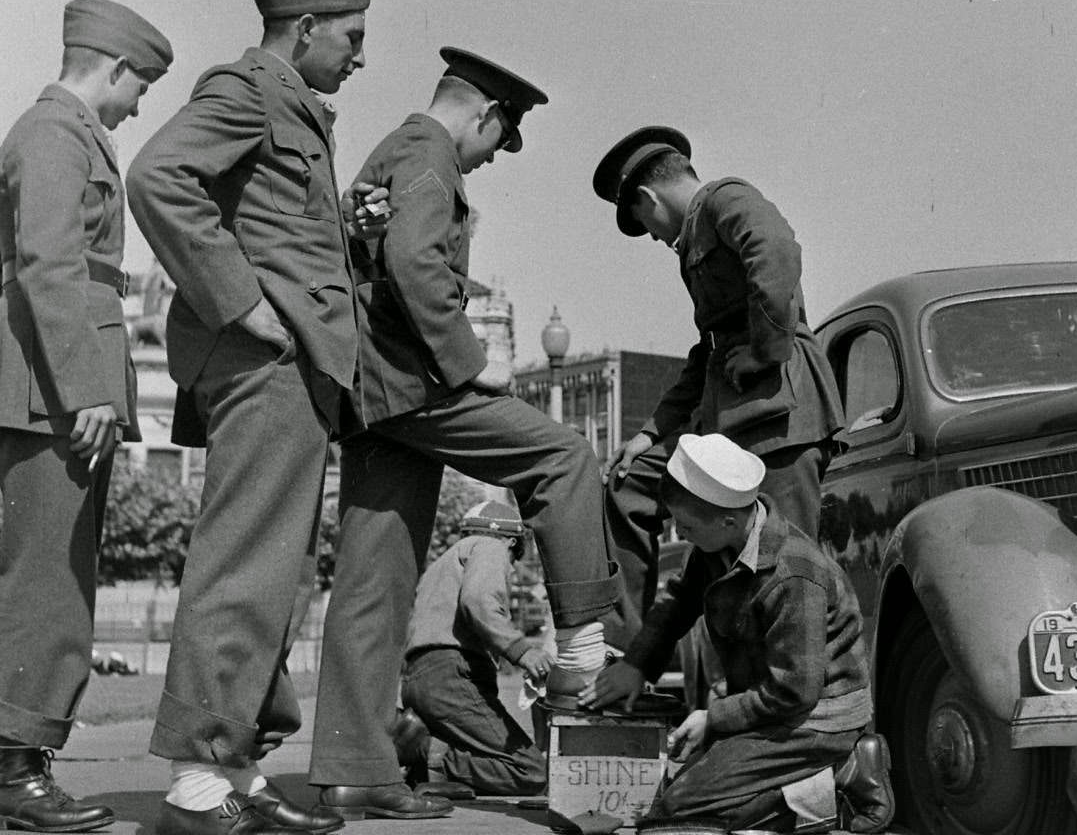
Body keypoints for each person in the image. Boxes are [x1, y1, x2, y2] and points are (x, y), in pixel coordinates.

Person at [125, 0, 406, 835]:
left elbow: (273, 223)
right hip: (267, 366)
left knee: (276, 576)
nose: (361, 54)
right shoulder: (247, 90)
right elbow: (158, 177)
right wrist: (244, 304)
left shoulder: (296, 109)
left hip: (300, 370)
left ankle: (235, 772)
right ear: (308, 27)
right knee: (246, 564)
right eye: (353, 36)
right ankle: (196, 792)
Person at [308, 47, 618, 818]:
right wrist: (472, 362)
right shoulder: (430, 155)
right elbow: (414, 261)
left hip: (371, 394)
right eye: (498, 139)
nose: (490, 157)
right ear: (482, 116)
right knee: (564, 457)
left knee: (374, 582)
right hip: (415, 385)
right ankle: (583, 644)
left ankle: (357, 768)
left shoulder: (390, 152)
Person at [0, 0, 172, 833]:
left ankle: (19, 758)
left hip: (54, 385)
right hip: (51, 390)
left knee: (51, 577)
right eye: (139, 87)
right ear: (116, 69)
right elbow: (50, 265)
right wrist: (86, 389)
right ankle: (15, 770)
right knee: (49, 583)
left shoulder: (61, 136)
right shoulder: (53, 134)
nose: (138, 106)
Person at [591, 127, 843, 647]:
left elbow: (776, 247)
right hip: (728, 418)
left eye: (645, 224)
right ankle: (622, 650)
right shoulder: (696, 238)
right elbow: (708, 351)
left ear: (647, 198)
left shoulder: (725, 200)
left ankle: (799, 702)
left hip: (782, 420)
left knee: (781, 561)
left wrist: (764, 351)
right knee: (631, 481)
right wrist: (647, 434)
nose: (657, 239)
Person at [580, 434, 894, 835]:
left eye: (688, 525)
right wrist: (635, 665)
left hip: (816, 719)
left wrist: (715, 718)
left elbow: (796, 691)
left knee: (676, 817)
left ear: (728, 520)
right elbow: (677, 605)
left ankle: (843, 776)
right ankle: (815, 783)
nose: (681, 532)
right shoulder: (717, 545)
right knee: (672, 798)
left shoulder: (794, 573)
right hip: (774, 709)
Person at [393, 501, 549, 799]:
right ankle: (422, 750)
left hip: (420, 679)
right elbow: (479, 600)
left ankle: (424, 760)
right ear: (511, 541)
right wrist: (522, 651)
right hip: (452, 677)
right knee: (531, 772)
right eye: (514, 559)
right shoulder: (490, 548)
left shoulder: (444, 562)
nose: (511, 567)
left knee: (484, 751)